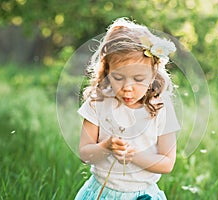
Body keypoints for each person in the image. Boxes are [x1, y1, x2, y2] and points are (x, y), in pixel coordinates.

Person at [75, 17, 181, 200]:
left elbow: (167, 163)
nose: (127, 87)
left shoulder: (161, 108)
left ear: (153, 73)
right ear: (107, 72)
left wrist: (133, 156)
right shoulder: (98, 102)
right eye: (118, 78)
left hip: (142, 195)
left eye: (138, 79)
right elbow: (85, 154)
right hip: (101, 192)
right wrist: (105, 147)